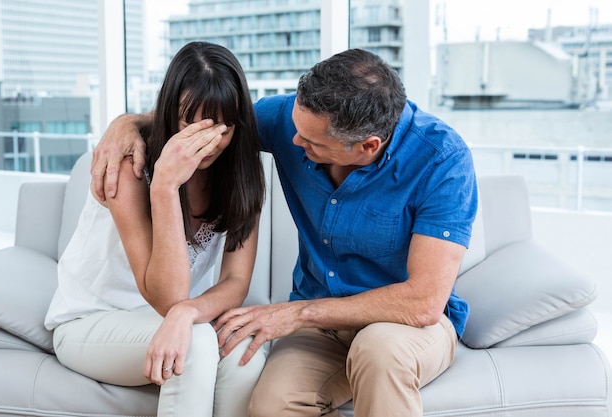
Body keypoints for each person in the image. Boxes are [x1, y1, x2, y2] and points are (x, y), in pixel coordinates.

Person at [91, 48, 478, 417]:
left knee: (379, 352)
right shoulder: (293, 122)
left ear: (367, 146)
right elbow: (210, 119)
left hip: (402, 326)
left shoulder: (442, 160)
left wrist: (298, 314)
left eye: (311, 143)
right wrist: (126, 123)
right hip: (322, 333)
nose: (294, 142)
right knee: (272, 405)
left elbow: (423, 302)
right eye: (295, 128)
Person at [44, 41, 266, 417]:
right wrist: (164, 184)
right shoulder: (129, 165)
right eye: (190, 124)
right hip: (91, 322)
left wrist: (186, 313)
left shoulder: (239, 173)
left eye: (221, 128)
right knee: (195, 343)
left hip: (173, 318)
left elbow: (236, 281)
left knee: (245, 348)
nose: (206, 141)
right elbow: (168, 297)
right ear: (169, 116)